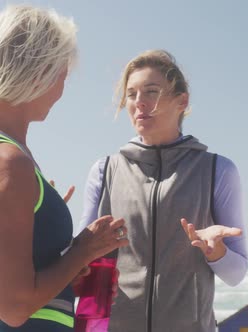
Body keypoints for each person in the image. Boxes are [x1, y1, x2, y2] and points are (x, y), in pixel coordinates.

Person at [78, 49, 247, 332]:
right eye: (131, 94)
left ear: (182, 101)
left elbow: (236, 274)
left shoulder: (217, 170)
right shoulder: (104, 171)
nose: (139, 103)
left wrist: (215, 252)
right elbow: (78, 262)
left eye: (152, 91)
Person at [0, 5, 128, 332]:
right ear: (39, 70)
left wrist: (67, 270)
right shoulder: (11, 162)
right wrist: (84, 251)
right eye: (63, 73)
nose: (62, 88)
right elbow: (13, 308)